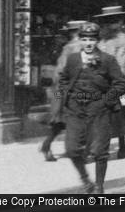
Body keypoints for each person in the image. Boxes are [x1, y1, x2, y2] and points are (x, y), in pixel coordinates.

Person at [58, 22, 125, 194]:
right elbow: (64, 79)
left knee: (99, 151)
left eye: (91, 39)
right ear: (79, 40)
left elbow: (120, 84)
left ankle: (98, 187)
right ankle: (85, 181)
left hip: (99, 109)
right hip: (76, 109)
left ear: (97, 41)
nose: (88, 43)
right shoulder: (73, 59)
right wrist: (66, 94)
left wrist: (105, 101)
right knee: (72, 149)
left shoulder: (107, 60)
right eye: (84, 39)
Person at [94, 6, 125, 159]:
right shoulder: (124, 39)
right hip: (115, 82)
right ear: (119, 21)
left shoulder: (100, 39)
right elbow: (120, 63)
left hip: (99, 81)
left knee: (102, 116)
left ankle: (100, 148)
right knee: (121, 117)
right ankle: (122, 149)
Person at [41, 20, 86, 162]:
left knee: (60, 122)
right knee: (77, 119)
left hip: (62, 88)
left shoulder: (68, 47)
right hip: (70, 88)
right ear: (78, 32)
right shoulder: (76, 47)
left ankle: (47, 145)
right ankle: (77, 151)